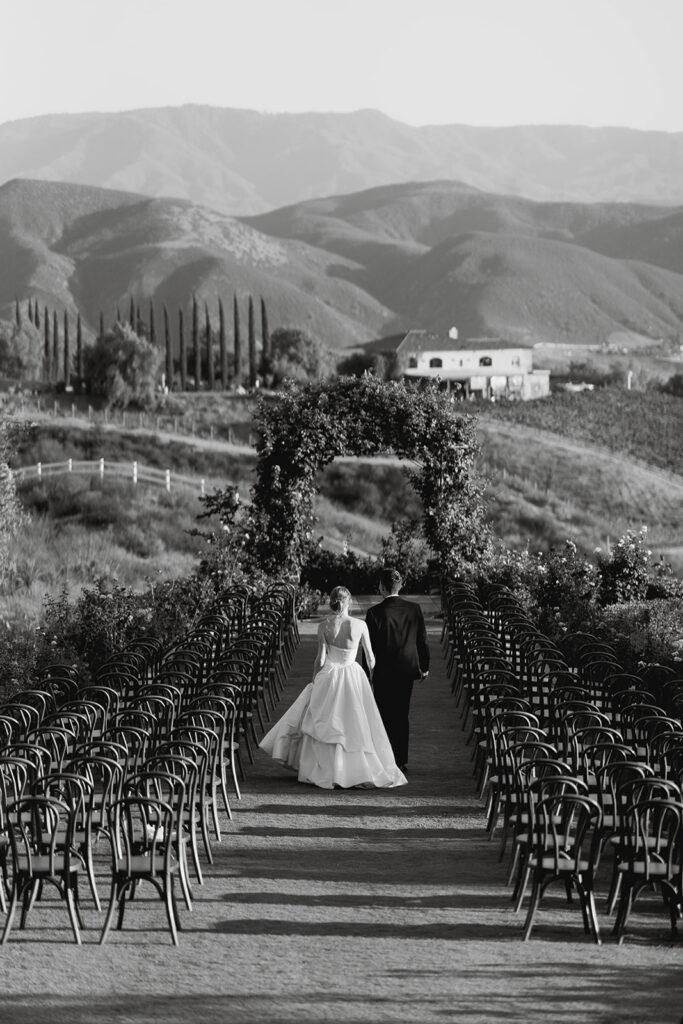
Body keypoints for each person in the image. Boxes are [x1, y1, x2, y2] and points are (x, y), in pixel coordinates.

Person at [259, 586, 407, 790]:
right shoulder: (360, 625)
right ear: (349, 603)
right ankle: (354, 771)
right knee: (355, 722)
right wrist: (372, 677)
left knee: (328, 722)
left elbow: (319, 659)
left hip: (329, 674)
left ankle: (325, 770)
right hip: (353, 674)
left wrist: (314, 681)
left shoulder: (324, 626)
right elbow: (371, 658)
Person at [365, 568, 430, 772]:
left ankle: (384, 759)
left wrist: (367, 674)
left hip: (383, 672)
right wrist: (425, 667)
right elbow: (422, 641)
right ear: (399, 586)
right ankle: (400, 761)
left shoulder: (374, 613)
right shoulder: (414, 609)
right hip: (406, 671)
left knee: (383, 715)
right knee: (402, 714)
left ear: (382, 588)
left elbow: (369, 648)